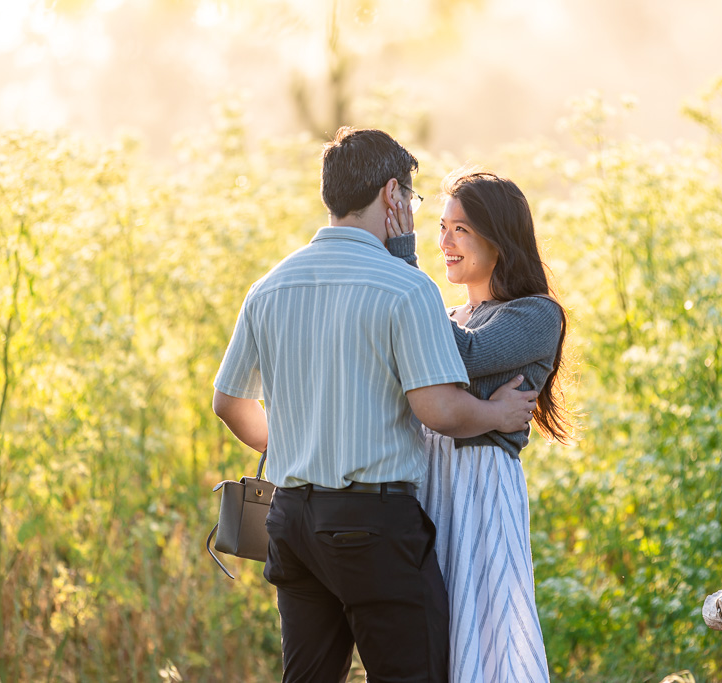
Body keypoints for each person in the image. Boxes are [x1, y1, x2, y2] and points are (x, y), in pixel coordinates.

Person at [211, 129, 539, 683]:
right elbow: (438, 409)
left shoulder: (269, 286)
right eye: (411, 199)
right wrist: (497, 416)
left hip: (290, 522)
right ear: (392, 194)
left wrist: (300, 440)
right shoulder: (404, 288)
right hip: (373, 528)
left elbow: (228, 402)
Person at [385, 169, 572, 682]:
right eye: (441, 227)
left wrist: (403, 259)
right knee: (434, 637)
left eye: (460, 229)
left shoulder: (537, 315)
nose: (444, 242)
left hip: (481, 487)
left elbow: (464, 354)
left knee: (489, 636)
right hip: (430, 484)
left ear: (499, 238)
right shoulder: (447, 314)